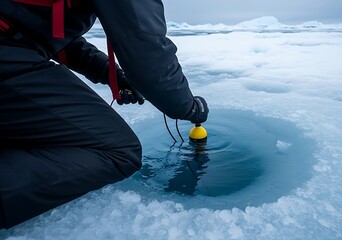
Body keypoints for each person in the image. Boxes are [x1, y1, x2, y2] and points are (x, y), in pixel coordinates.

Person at [0, 0, 209, 229]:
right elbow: (146, 50)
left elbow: (48, 32)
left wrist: (111, 73)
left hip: (12, 44)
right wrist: (188, 107)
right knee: (119, 151)